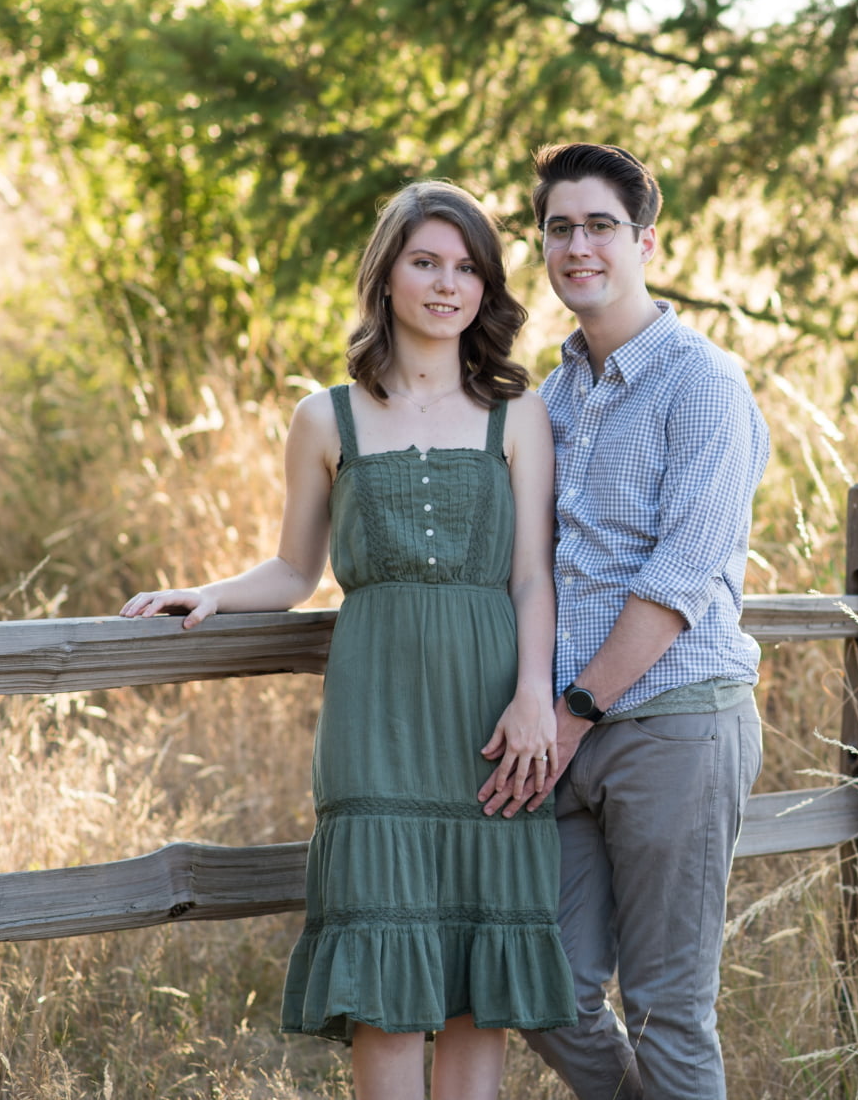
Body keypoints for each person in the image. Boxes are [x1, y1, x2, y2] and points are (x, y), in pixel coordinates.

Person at [120, 181, 576, 1100]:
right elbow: (296, 570)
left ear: (486, 288)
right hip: (378, 729)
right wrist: (209, 593)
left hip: (492, 723)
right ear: (388, 274)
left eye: (466, 268)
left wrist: (535, 695)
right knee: (388, 987)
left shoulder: (516, 414)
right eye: (426, 262)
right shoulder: (326, 418)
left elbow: (532, 574)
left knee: (474, 987)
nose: (446, 285)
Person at [482, 143, 770, 1099]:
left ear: (646, 238)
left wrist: (570, 716)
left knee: (664, 1005)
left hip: (672, 722)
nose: (578, 245)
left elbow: (679, 581)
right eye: (559, 227)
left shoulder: (704, 383)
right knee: (547, 988)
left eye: (600, 224)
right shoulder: (552, 396)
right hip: (569, 731)